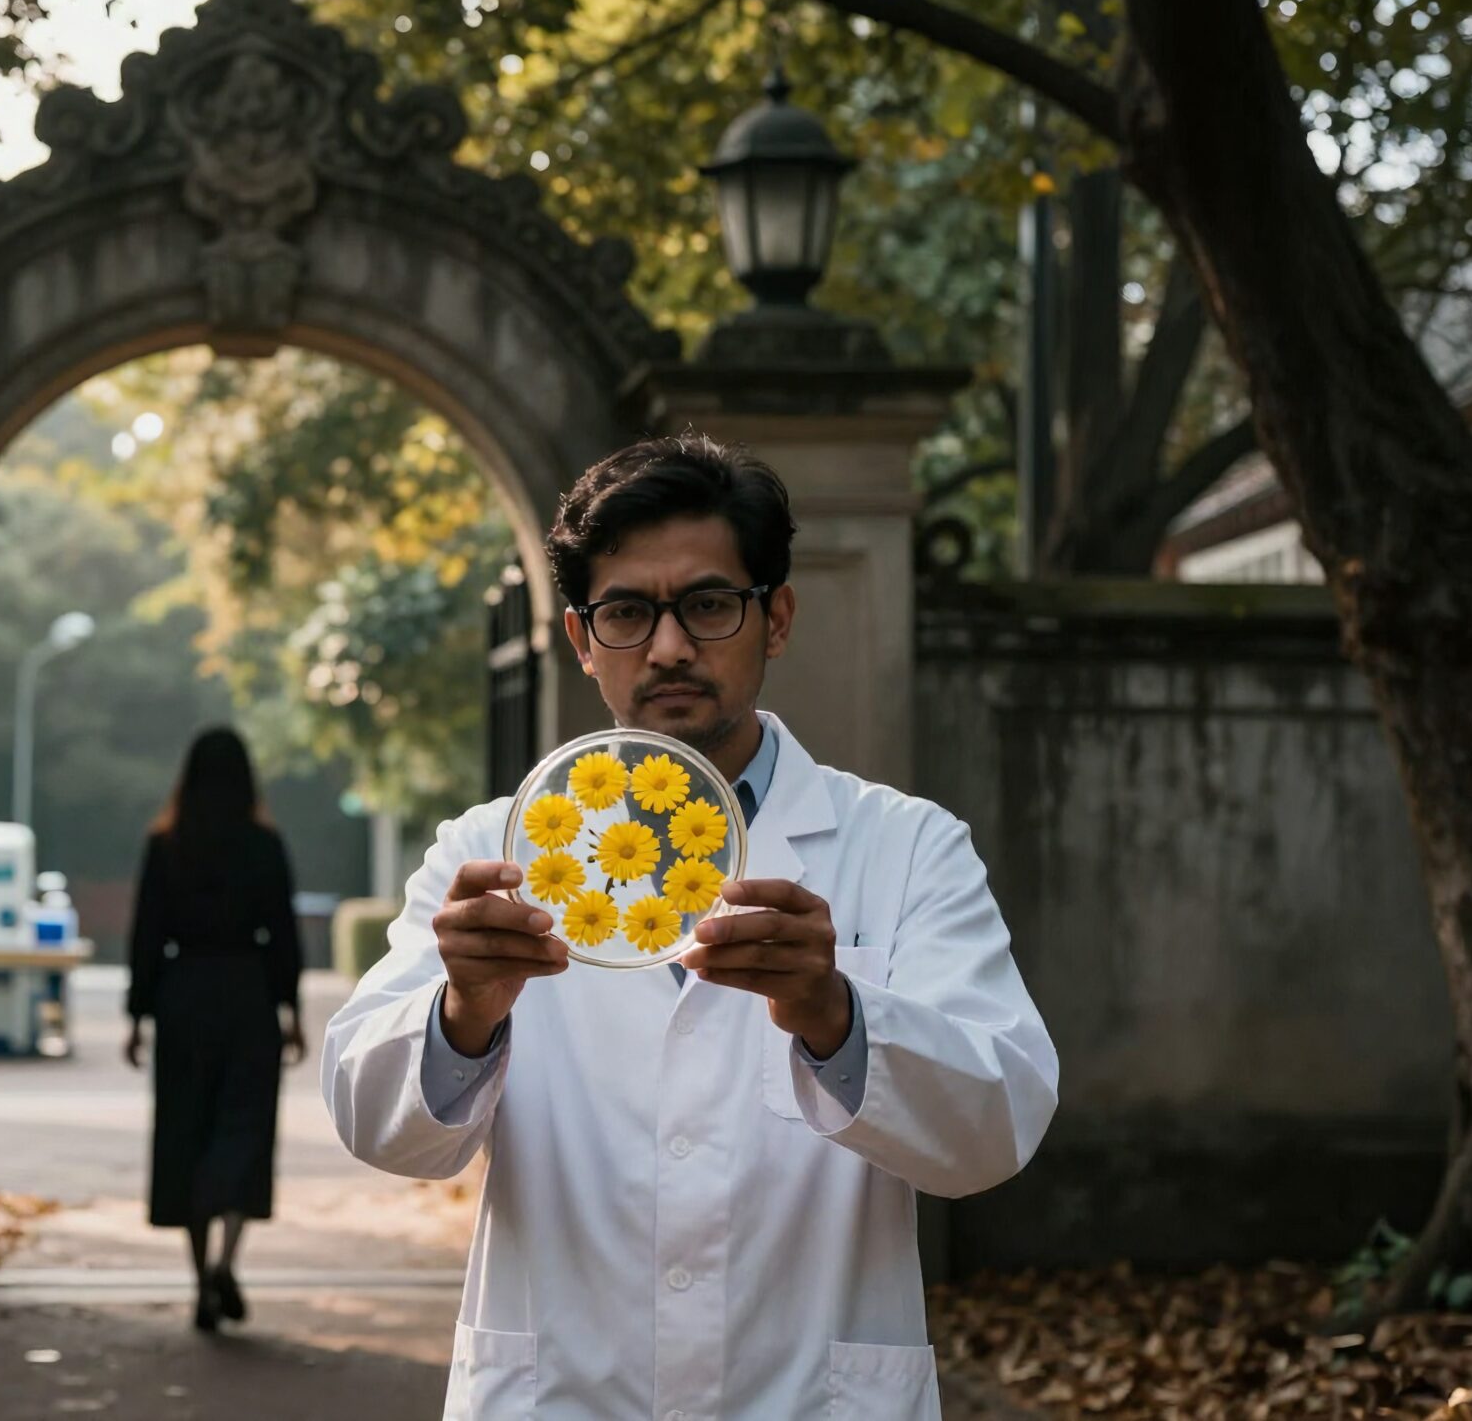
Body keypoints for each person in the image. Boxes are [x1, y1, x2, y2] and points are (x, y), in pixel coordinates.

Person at [321, 434, 1057, 1419]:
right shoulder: (486, 851)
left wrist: (834, 1015)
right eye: (625, 611)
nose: (668, 646)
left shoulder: (905, 847)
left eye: (708, 604)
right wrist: (463, 1012)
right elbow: (378, 1125)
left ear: (776, 616)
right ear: (581, 640)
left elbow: (995, 1127)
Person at [124, 727, 308, 1333]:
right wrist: (291, 1011)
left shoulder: (167, 843)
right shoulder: (263, 844)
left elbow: (146, 933)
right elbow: (282, 931)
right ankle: (228, 1261)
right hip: (247, 994)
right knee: (244, 1128)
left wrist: (136, 1014)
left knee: (186, 1130)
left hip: (183, 997)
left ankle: (199, 1272)